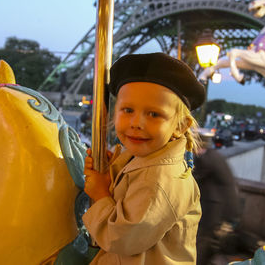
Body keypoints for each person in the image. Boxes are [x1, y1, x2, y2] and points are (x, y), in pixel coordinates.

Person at [82, 52, 206, 264]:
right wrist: (111, 170)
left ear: (180, 126)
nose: (136, 122)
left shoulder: (159, 181)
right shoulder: (140, 159)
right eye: (128, 110)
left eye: (154, 114)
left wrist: (101, 193)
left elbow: (120, 238)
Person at [193, 134, 241, 264]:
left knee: (202, 241)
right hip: (223, 207)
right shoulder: (214, 155)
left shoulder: (205, 159)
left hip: (215, 209)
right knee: (207, 242)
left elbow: (193, 178)